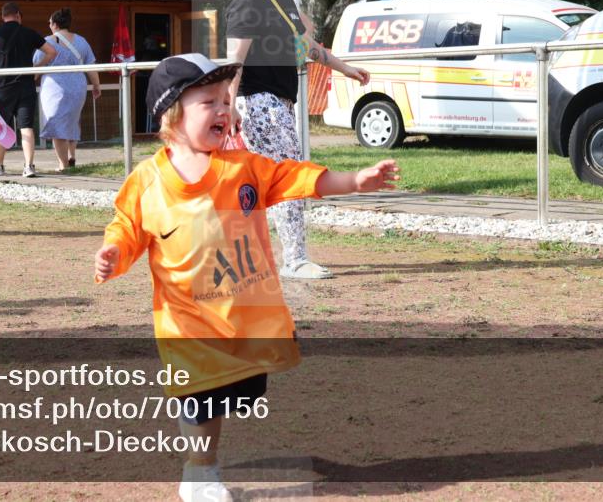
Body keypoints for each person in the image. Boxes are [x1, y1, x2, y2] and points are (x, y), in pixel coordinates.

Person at [93, 54, 399, 502]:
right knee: (200, 399)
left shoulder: (243, 168)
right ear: (171, 115)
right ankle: (200, 474)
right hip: (188, 323)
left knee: (234, 396)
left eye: (225, 100)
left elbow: (300, 178)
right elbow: (126, 228)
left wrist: (355, 180)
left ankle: (205, 454)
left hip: (243, 317)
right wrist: (114, 254)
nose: (224, 110)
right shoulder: (147, 182)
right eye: (208, 102)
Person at [225, 0, 371, 279]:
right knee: (289, 174)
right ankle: (294, 259)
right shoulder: (249, 1)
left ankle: (240, 253)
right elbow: (235, 61)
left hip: (280, 103)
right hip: (259, 103)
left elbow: (308, 48)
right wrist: (227, 104)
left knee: (266, 181)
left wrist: (344, 68)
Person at [0, 2, 56, 177]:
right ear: (18, 15)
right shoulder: (29, 33)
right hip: (26, 86)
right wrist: (36, 68)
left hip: (2, 88)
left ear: (3, 16)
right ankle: (29, 166)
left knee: (2, 127)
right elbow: (52, 52)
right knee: (26, 126)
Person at [34, 8, 101, 172]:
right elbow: (90, 65)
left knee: (56, 124)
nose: (49, 25)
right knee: (72, 120)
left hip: (55, 88)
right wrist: (96, 85)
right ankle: (71, 155)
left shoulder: (46, 42)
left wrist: (31, 80)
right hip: (78, 86)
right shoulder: (82, 41)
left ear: (55, 24)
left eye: (49, 22)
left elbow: (36, 66)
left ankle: (63, 165)